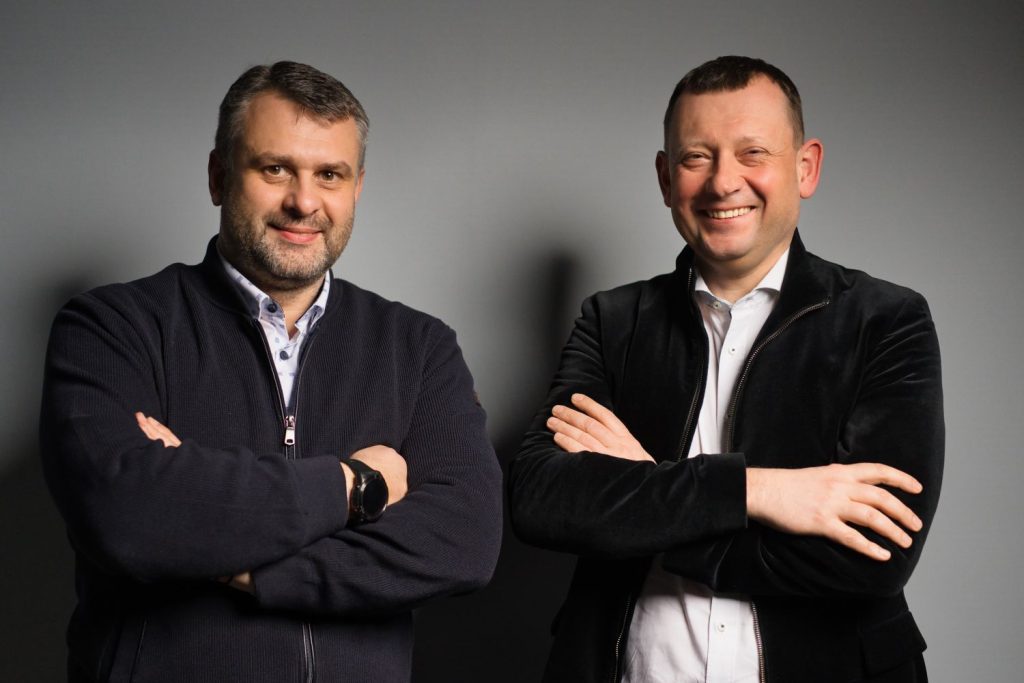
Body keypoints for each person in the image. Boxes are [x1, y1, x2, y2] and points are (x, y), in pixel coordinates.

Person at [40, 61, 502, 683]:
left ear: (357, 188)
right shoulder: (111, 327)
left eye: (330, 175)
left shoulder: (418, 347)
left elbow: (464, 541)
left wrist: (250, 568)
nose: (303, 202)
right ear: (218, 176)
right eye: (275, 169)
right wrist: (356, 485)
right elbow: (125, 514)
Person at [508, 56, 943, 682]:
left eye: (752, 153)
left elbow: (874, 556)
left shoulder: (885, 320)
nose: (722, 182)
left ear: (806, 167)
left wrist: (646, 493)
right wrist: (760, 492)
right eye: (696, 158)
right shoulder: (612, 321)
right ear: (666, 178)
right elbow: (543, 501)